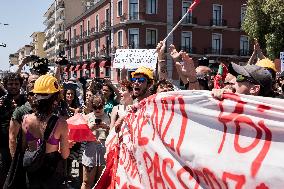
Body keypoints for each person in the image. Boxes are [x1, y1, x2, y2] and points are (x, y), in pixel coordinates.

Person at [22, 74, 71, 188]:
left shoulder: (26, 120)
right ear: (55, 99)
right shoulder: (61, 123)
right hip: (51, 172)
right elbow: (65, 155)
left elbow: (23, 147)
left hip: (32, 169)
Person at [0, 73, 26, 188]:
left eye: (16, 84)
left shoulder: (26, 101)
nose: (13, 86)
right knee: (3, 175)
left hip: (22, 146)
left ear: (20, 85)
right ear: (5, 85)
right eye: (10, 84)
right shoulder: (1, 101)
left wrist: (17, 110)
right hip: (3, 146)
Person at [81, 95, 110, 189]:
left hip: (103, 149)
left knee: (101, 183)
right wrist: (90, 129)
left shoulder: (108, 116)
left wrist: (107, 127)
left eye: (100, 107)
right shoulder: (87, 117)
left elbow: (113, 136)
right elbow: (80, 137)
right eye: (94, 107)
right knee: (86, 182)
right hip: (90, 148)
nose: (97, 110)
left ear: (104, 105)